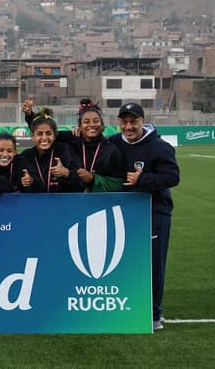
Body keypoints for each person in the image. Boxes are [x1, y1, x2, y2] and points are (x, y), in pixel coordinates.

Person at [109, 102, 180, 331]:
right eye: (124, 121)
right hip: (124, 212)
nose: (128, 127)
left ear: (142, 121)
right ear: (119, 122)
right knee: (122, 261)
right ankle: (126, 307)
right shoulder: (113, 143)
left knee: (153, 264)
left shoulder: (159, 147)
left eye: (133, 122)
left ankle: (153, 314)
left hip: (154, 211)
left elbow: (172, 177)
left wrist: (143, 180)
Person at [36, 99, 125, 192]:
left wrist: (93, 180)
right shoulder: (71, 140)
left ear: (102, 125)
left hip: (100, 204)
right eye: (86, 122)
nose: (91, 125)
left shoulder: (112, 150)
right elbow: (46, 136)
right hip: (71, 201)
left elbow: (120, 184)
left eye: (96, 121)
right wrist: (30, 116)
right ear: (80, 126)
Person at [20, 108, 82, 193]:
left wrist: (67, 173)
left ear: (55, 135)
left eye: (49, 133)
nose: (44, 138)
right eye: (39, 134)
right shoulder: (26, 156)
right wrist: (30, 182)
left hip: (63, 204)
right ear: (33, 136)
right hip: (35, 204)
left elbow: (81, 183)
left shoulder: (65, 151)